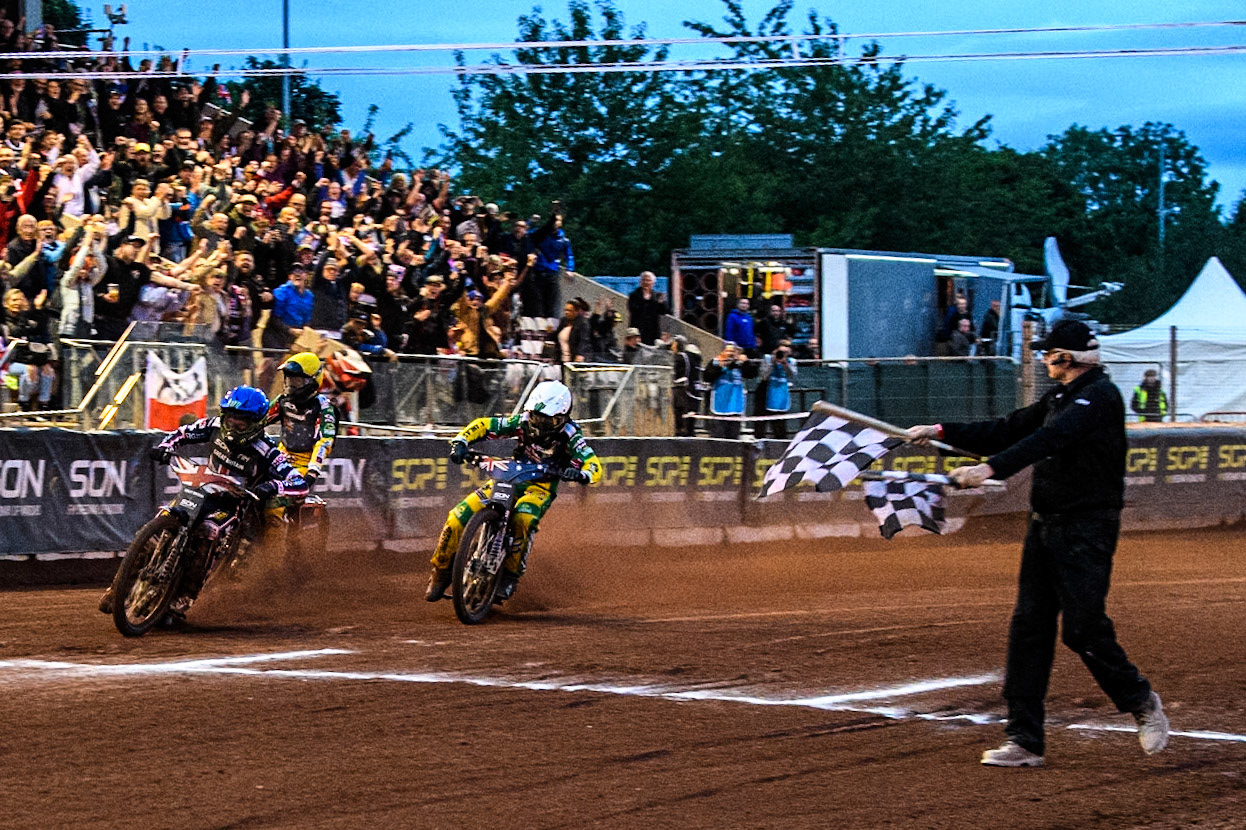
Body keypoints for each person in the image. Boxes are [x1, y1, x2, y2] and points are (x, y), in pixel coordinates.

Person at [907, 320, 1168, 768]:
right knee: (1029, 628)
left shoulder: (1099, 396)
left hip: (1086, 529)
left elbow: (1049, 439)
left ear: (1066, 358)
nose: (1045, 359)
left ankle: (1140, 700)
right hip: (1045, 524)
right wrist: (941, 431)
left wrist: (990, 471)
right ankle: (1024, 739)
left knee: (1083, 628)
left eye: (1050, 354)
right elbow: (1009, 428)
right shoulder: (1060, 397)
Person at [99, 386, 308, 621]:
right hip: (200, 490)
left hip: (231, 505)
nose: (232, 426)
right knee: (161, 520)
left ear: (257, 424)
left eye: (241, 423)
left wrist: (273, 487)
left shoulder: (268, 451)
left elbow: (299, 483)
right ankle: (117, 588)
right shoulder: (214, 426)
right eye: (229, 418)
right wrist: (166, 447)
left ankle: (181, 600)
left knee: (208, 533)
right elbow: (183, 433)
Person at [425, 380, 603, 604]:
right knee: (456, 517)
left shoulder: (571, 435)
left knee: (524, 518)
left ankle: (510, 575)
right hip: (510, 475)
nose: (540, 424)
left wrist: (582, 474)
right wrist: (461, 441)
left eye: (548, 420)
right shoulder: (522, 421)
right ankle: (440, 571)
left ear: (563, 416)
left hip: (541, 486)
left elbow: (593, 463)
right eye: (537, 417)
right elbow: (485, 424)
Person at [702, 342, 757, 439]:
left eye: (733, 351)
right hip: (719, 405)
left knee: (733, 437)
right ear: (722, 352)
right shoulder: (715, 362)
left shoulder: (739, 364)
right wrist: (720, 366)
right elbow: (707, 377)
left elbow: (752, 374)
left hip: (735, 406)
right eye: (728, 351)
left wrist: (746, 363)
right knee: (718, 436)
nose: (730, 354)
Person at [756, 340, 797, 439]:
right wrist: (772, 362)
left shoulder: (791, 361)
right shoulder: (767, 358)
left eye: (786, 352)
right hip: (765, 393)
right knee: (761, 421)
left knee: (780, 422)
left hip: (781, 394)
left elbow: (792, 376)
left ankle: (780, 444)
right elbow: (763, 376)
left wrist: (785, 364)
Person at [671, 337, 702, 437]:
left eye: (673, 344)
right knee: (689, 420)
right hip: (692, 391)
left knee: (682, 419)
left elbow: (676, 374)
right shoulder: (693, 358)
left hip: (682, 391)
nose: (672, 347)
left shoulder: (681, 357)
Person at [627, 270, 667, 345]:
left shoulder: (657, 296)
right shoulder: (634, 295)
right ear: (640, 282)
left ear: (653, 283)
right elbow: (632, 309)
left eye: (648, 280)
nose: (646, 282)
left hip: (653, 329)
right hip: (638, 328)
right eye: (644, 280)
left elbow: (663, 312)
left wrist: (661, 303)